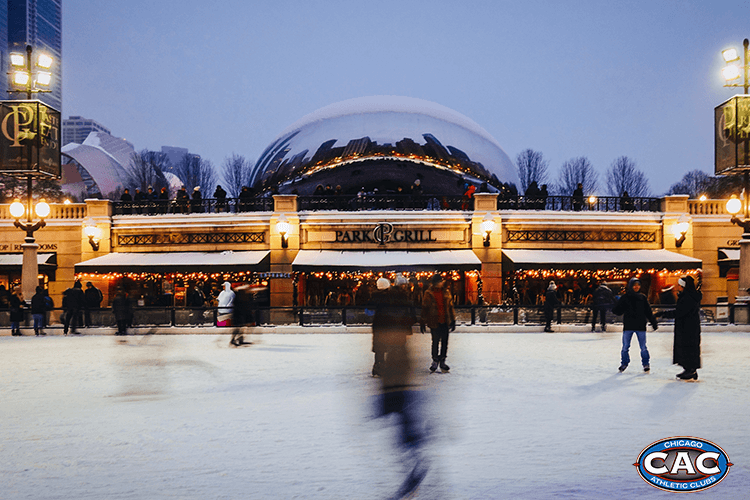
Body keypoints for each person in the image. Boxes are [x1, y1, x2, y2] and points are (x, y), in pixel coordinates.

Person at [372, 274, 427, 498]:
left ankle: (413, 467)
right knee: (406, 426)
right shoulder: (400, 303)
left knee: (404, 425)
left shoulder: (387, 305)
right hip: (399, 372)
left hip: (398, 382)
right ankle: (414, 461)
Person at [612, 277, 658, 373]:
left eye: (638, 285)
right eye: (634, 285)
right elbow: (619, 311)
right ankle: (624, 363)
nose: (636, 287)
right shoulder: (625, 297)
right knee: (625, 347)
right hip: (628, 326)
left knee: (643, 347)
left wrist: (653, 322)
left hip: (640, 326)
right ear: (631, 286)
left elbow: (648, 311)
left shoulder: (642, 298)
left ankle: (646, 363)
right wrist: (614, 306)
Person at [420, 274, 455, 372]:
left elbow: (451, 306)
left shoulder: (446, 292)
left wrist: (453, 319)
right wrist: (423, 321)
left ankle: (442, 360)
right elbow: (425, 308)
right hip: (434, 321)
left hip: (445, 321)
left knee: (445, 342)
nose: (442, 282)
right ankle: (435, 360)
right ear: (435, 283)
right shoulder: (428, 293)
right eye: (440, 281)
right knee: (435, 342)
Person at [673, 276, 702, 381]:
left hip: (688, 328)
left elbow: (680, 312)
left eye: (679, 286)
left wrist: (664, 314)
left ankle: (691, 370)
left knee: (689, 348)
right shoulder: (688, 296)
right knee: (687, 348)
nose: (678, 287)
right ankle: (688, 369)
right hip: (688, 327)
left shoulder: (688, 298)